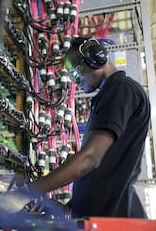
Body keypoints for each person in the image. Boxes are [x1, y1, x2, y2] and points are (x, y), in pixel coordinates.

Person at [27, 36, 151, 218]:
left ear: (95, 58)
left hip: (115, 221)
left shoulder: (121, 90)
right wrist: (68, 209)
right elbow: (101, 171)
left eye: (76, 73)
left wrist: (30, 191)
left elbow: (90, 159)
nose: (75, 81)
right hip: (100, 218)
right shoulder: (108, 95)